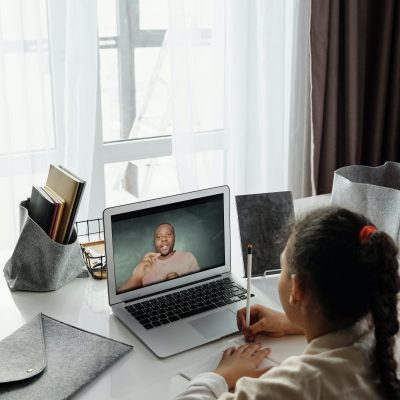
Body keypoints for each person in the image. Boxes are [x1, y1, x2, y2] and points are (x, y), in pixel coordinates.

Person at [174, 207, 400, 399]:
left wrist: (221, 375)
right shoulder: (389, 322)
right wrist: (291, 323)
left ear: (296, 289)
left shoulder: (300, 385)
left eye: (282, 268)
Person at [117, 223, 199, 293]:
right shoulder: (147, 264)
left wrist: (179, 283)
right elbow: (122, 296)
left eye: (168, 235)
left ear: (174, 237)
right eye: (159, 237)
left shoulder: (188, 257)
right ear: (154, 241)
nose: (163, 239)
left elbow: (198, 288)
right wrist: (136, 276)